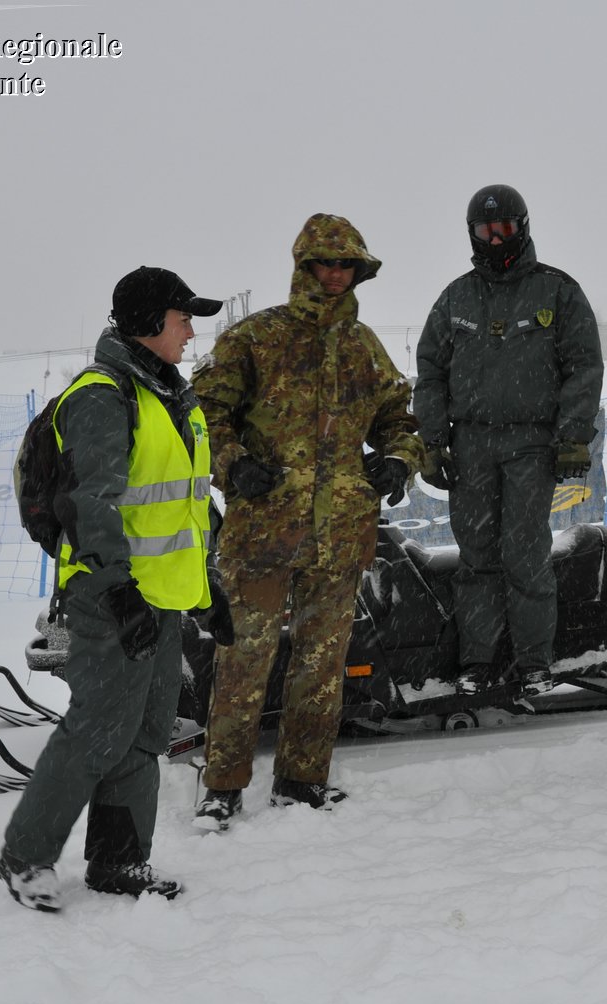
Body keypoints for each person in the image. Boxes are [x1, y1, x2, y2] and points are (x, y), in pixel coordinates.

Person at [0, 266, 227, 912]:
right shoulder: (104, 396)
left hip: (161, 599)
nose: (190, 332)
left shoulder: (171, 398)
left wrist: (209, 588)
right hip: (109, 597)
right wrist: (119, 588)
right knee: (98, 729)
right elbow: (90, 503)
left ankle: (120, 861)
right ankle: (25, 857)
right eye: (183, 319)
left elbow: (185, 508)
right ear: (150, 323)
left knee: (145, 734)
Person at [191, 214, 421, 827]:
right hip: (264, 532)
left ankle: (302, 779)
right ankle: (222, 785)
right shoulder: (254, 339)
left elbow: (400, 418)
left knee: (321, 666)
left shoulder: (364, 346)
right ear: (304, 266)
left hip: (340, 535)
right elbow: (204, 419)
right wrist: (232, 465)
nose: (337, 275)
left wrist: (397, 459)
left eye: (348, 265)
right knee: (243, 662)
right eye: (327, 263)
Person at [412, 184, 604, 698]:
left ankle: (533, 663)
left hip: (531, 445)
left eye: (503, 229)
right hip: (470, 446)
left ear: (522, 227)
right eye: (483, 231)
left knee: (525, 553)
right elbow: (429, 371)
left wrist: (571, 438)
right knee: (476, 557)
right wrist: (431, 442)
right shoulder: (456, 297)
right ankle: (477, 662)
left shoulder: (557, 292)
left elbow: (583, 367)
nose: (494, 239)